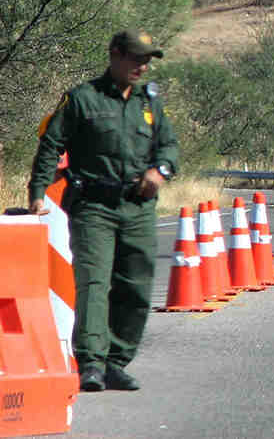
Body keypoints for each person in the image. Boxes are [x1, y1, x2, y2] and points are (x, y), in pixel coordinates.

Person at [27, 29, 179, 393]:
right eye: (136, 58)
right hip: (93, 206)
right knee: (94, 282)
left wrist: (161, 170)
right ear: (115, 55)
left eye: (147, 60)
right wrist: (38, 192)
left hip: (137, 207)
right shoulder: (83, 99)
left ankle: (116, 361)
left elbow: (169, 146)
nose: (142, 67)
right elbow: (51, 144)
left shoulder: (150, 104)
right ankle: (91, 362)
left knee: (136, 285)